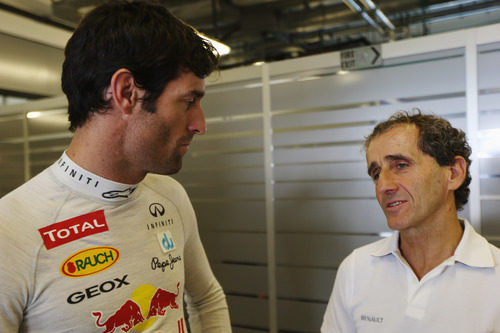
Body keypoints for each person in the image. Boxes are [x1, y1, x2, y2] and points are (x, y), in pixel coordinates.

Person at [0, 1, 232, 332]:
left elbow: (207, 298)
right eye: (189, 101)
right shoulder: (10, 231)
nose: (199, 124)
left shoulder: (171, 197)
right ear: (125, 92)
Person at [321, 111, 500, 332]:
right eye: (376, 173)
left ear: (453, 173)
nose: (383, 186)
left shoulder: (495, 277)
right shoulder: (357, 268)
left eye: (401, 165)